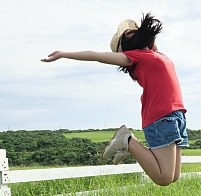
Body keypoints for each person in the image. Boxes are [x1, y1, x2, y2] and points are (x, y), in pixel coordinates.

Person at [41, 13, 188, 186]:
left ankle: (129, 145)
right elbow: (96, 55)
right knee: (163, 178)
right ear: (127, 45)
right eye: (128, 32)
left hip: (177, 115)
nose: (133, 31)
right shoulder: (134, 57)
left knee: (174, 176)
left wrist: (145, 34)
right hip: (161, 117)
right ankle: (127, 140)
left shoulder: (156, 54)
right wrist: (64, 54)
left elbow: (151, 40)